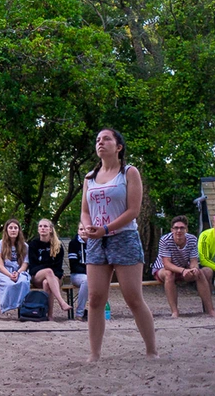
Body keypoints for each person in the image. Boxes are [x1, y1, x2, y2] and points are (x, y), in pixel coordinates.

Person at [81, 128, 157, 361]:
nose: (100, 142)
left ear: (119, 147)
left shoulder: (129, 172)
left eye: (106, 139)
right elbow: (85, 211)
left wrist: (105, 229)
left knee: (133, 297)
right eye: (98, 140)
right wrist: (87, 228)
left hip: (124, 238)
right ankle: (94, 354)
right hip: (96, 242)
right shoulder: (89, 177)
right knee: (95, 298)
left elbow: (133, 211)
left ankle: (151, 350)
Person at [152, 215, 214, 318]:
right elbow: (167, 264)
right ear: (172, 230)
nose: (179, 231)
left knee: (201, 272)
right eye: (176, 228)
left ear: (186, 229)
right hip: (163, 268)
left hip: (184, 267)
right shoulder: (165, 240)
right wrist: (183, 270)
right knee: (169, 274)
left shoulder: (192, 239)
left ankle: (210, 310)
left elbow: (193, 261)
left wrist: (194, 269)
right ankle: (175, 311)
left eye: (182, 228)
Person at [28, 219, 71, 320]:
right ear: (38, 229)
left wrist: (49, 272)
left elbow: (58, 267)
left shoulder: (58, 246)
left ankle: (49, 315)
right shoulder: (33, 244)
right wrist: (47, 268)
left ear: (50, 229)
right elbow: (33, 266)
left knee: (47, 283)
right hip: (37, 276)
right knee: (48, 271)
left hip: (55, 276)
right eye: (40, 226)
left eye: (45, 226)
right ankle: (61, 302)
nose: (42, 228)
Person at [0, 219, 31, 314]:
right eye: (11, 228)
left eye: (15, 228)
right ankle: (7, 306)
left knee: (23, 282)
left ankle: (23, 306)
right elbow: (0, 265)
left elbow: (25, 264)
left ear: (19, 230)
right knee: (10, 284)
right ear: (6, 230)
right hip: (3, 272)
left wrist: (18, 273)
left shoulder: (25, 246)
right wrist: (10, 275)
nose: (13, 230)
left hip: (19, 271)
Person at [67, 224, 89, 320]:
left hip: (94, 274)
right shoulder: (73, 244)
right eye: (81, 229)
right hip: (77, 275)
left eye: (85, 229)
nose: (83, 231)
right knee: (87, 280)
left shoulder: (95, 242)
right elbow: (73, 265)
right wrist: (89, 272)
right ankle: (80, 313)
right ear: (78, 231)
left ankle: (100, 312)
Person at [199, 211, 215, 284]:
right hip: (208, 266)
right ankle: (208, 289)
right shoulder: (205, 235)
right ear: (214, 223)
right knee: (207, 271)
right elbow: (204, 260)